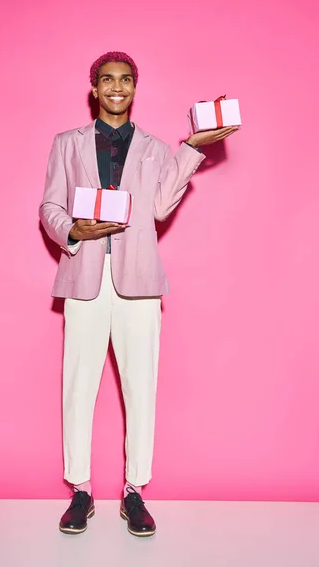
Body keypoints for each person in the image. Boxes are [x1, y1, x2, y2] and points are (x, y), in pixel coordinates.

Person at [39, 51, 238, 537]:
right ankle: (80, 491)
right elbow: (49, 205)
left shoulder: (153, 148)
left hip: (139, 281)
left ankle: (135, 492)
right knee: (77, 385)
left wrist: (192, 147)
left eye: (125, 79)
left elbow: (163, 207)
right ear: (94, 89)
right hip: (84, 276)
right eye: (106, 79)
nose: (116, 87)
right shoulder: (67, 143)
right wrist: (74, 230)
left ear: (134, 88)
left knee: (140, 387)